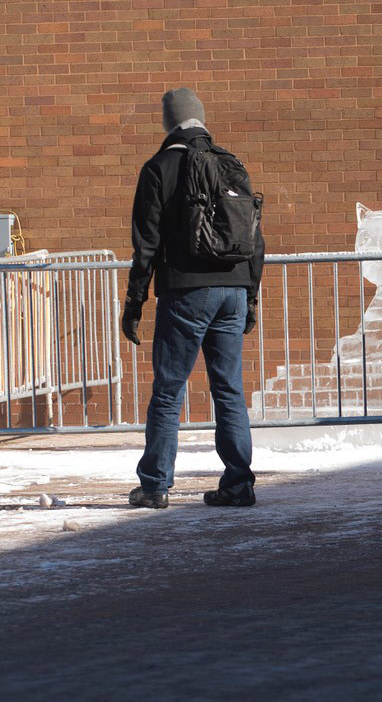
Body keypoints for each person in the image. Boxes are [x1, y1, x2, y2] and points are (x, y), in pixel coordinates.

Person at [123, 88, 265, 509]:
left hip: (187, 291)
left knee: (169, 390)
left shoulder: (159, 168)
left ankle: (154, 486)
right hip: (234, 289)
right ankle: (239, 483)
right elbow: (255, 239)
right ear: (201, 120)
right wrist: (250, 296)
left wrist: (134, 302)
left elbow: (145, 244)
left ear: (169, 123)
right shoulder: (231, 164)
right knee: (229, 390)